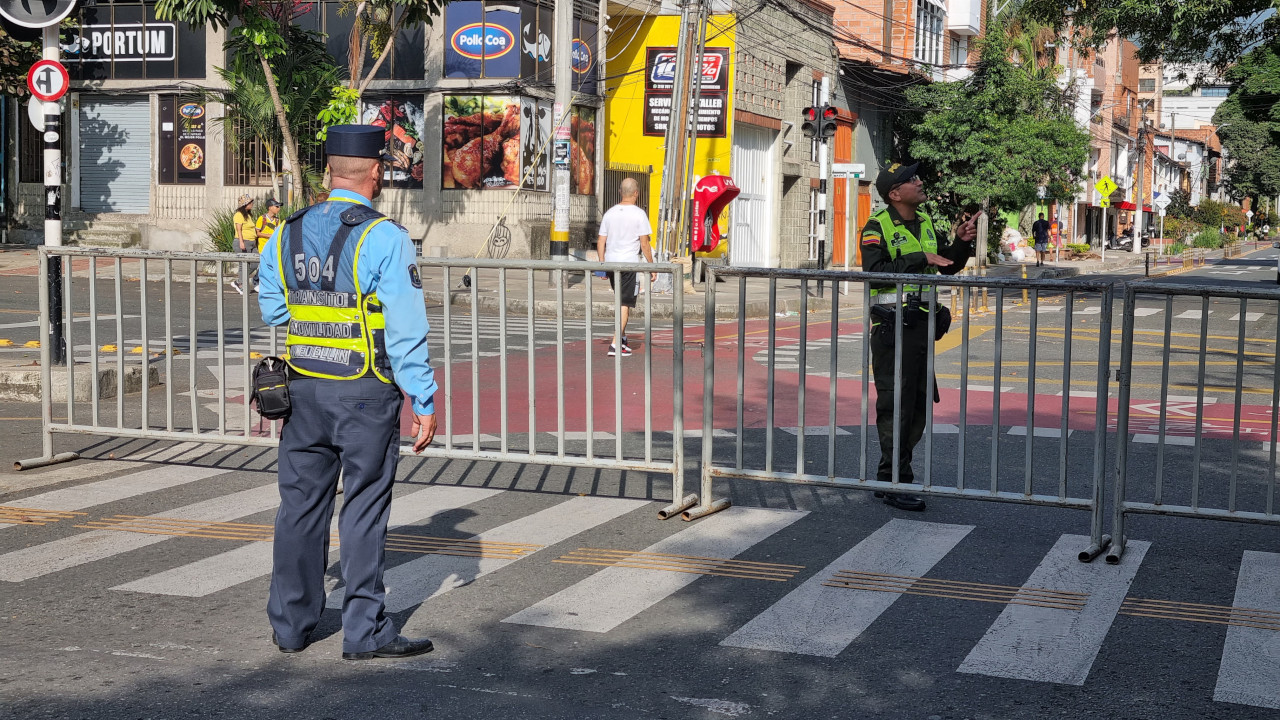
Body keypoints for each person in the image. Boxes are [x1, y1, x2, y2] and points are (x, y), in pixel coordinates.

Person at [257, 125, 439, 661]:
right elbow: (406, 331)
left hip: (303, 389)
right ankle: (364, 632)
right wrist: (422, 400)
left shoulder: (285, 232)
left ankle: (290, 626)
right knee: (362, 511)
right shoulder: (385, 237)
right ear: (376, 172)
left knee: (299, 509)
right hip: (365, 393)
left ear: (329, 171)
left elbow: (274, 309)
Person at [860, 162, 979, 511]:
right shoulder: (877, 226)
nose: (919, 181)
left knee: (916, 406)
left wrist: (960, 244)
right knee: (895, 405)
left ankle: (890, 477)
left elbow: (946, 264)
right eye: (911, 180)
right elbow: (874, 272)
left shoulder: (925, 223)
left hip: (920, 330)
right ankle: (895, 481)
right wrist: (918, 257)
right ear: (895, 193)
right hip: (892, 331)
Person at [596, 177, 657, 357]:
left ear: (620, 192)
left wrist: (602, 264)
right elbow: (644, 244)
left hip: (612, 263)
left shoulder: (609, 213)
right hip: (629, 264)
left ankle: (622, 340)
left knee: (620, 300)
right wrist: (652, 266)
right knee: (624, 304)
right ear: (636, 193)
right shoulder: (639, 214)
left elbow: (601, 241)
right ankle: (615, 344)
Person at [250, 199, 284, 293]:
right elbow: (258, 233)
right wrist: (270, 236)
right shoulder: (262, 218)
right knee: (263, 264)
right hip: (263, 246)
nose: (278, 208)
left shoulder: (277, 220)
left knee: (271, 265)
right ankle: (256, 281)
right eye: (276, 206)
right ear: (270, 207)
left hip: (273, 246)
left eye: (279, 206)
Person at [230, 194, 257, 295]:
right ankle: (240, 284)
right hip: (242, 242)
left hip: (251, 243)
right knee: (243, 264)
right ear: (245, 204)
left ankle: (239, 281)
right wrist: (241, 242)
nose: (252, 204)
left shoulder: (248, 215)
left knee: (254, 263)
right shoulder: (239, 215)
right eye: (250, 202)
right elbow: (238, 229)